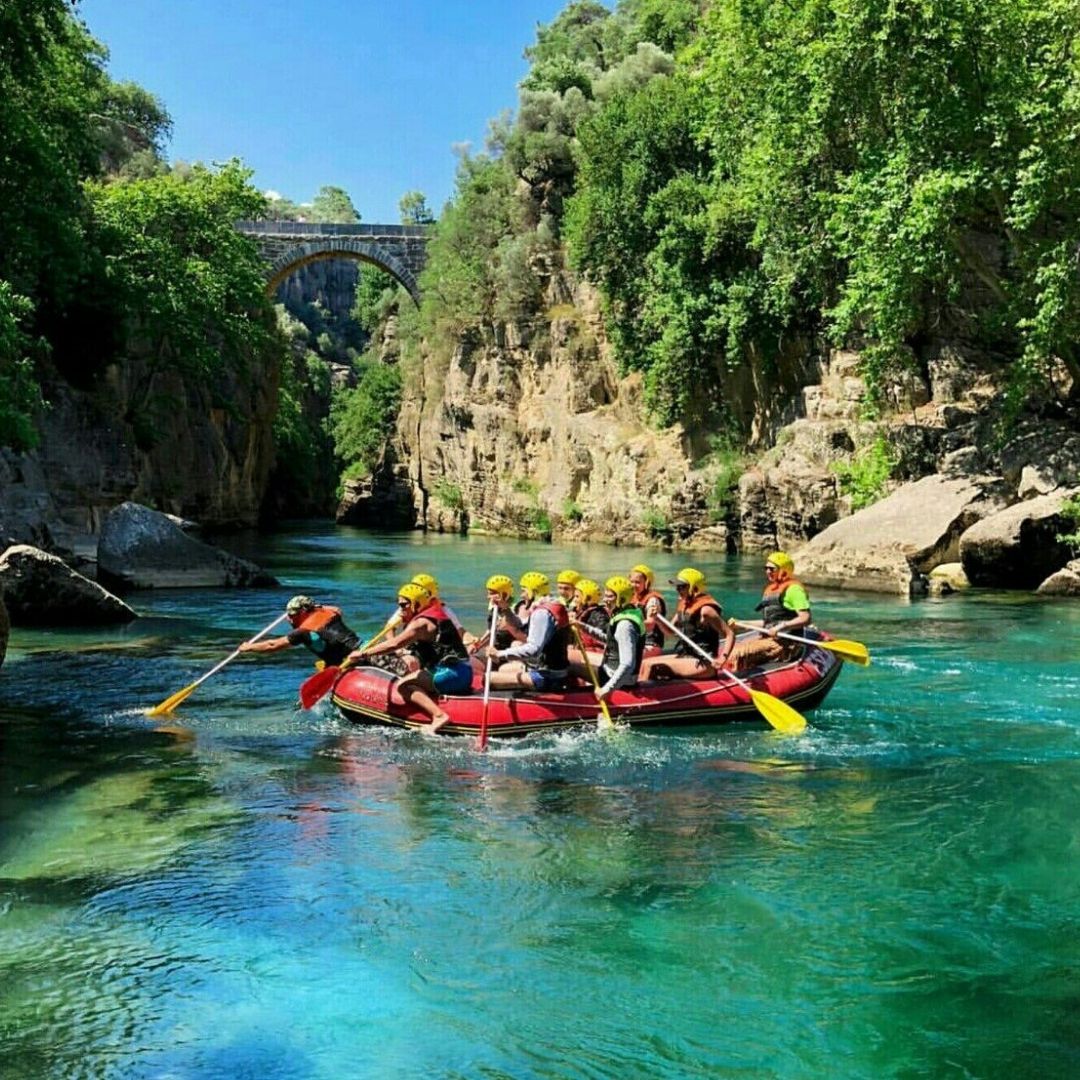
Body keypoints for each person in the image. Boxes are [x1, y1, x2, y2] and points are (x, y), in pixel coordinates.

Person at [353, 582, 473, 733]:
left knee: (403, 685)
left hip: (453, 675)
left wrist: (363, 653)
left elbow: (394, 644)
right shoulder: (435, 613)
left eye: (404, 605)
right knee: (416, 673)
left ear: (416, 604)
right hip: (463, 672)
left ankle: (439, 716)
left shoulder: (421, 624)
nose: (401, 610)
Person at [638, 568, 735, 680]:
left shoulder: (706, 610)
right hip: (686, 656)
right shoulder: (685, 605)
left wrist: (723, 658)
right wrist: (657, 618)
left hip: (703, 662)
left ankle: (644, 695)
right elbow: (670, 631)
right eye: (677, 587)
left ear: (694, 588)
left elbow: (730, 634)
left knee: (652, 667)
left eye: (682, 587)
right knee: (644, 663)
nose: (678, 590)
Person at [484, 571, 571, 691]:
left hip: (547, 676)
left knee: (488, 678)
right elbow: (521, 625)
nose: (522, 595)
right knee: (503, 669)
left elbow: (533, 649)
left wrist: (500, 654)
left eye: (524, 590)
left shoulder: (541, 613)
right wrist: (504, 608)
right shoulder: (548, 606)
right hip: (550, 670)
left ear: (533, 592)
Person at [728, 551, 813, 671]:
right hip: (770, 639)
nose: (768, 571)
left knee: (738, 654)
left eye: (772, 569)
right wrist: (742, 623)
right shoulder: (772, 589)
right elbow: (768, 622)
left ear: (783, 570)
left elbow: (806, 618)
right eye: (766, 568)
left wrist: (781, 627)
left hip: (786, 643)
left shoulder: (794, 590)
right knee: (732, 649)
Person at [571, 576, 644, 702]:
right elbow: (609, 640)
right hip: (610, 671)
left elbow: (628, 664)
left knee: (568, 664)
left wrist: (607, 689)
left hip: (616, 678)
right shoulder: (626, 613)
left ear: (621, 598)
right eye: (605, 596)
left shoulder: (624, 625)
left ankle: (571, 699)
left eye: (610, 597)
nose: (605, 600)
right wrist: (583, 627)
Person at [239, 594, 360, 667]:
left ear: (303, 612)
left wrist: (249, 647)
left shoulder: (303, 631)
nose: (289, 619)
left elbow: (272, 645)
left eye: (292, 615)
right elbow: (337, 609)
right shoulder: (332, 613)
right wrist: (317, 606)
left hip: (349, 659)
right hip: (360, 647)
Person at [567, 577, 608, 665]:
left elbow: (602, 638)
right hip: (583, 652)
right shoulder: (576, 612)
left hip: (595, 655)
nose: (574, 599)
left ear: (587, 598)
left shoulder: (599, 615)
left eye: (577, 597)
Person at [629, 563, 667, 654]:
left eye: (637, 582)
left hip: (650, 643)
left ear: (647, 583)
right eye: (632, 582)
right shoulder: (631, 597)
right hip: (636, 641)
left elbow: (650, 624)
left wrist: (628, 624)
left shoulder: (652, 600)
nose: (633, 585)